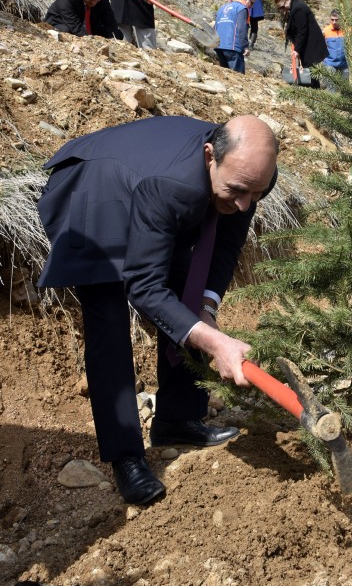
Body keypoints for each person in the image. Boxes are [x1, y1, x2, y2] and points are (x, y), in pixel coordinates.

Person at [37, 115, 279, 505]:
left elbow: (226, 245)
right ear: (210, 157)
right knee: (108, 320)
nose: (244, 202)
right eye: (236, 190)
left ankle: (176, 419)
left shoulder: (251, 174)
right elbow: (144, 286)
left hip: (151, 185)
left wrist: (205, 306)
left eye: (255, 192)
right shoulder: (172, 184)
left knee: (189, 289)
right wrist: (214, 343)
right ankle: (125, 455)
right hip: (93, 191)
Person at [274, 0, 328, 88]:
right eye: (280, 9)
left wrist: (297, 50)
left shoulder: (298, 9)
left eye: (282, 7)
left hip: (311, 45)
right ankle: (314, 92)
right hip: (307, 44)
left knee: (311, 70)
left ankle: (314, 94)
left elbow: (302, 31)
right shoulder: (293, 7)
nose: (282, 10)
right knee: (310, 70)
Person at [44, 0, 123, 40]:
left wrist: (113, 39)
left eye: (98, 0)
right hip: (62, 24)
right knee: (66, 30)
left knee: (117, 34)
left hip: (90, 26)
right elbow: (75, 26)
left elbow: (110, 20)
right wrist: (91, 42)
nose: (94, 2)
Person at [214, 0, 255, 74]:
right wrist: (245, 46)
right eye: (252, 3)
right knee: (238, 76)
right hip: (233, 47)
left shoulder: (222, 8)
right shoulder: (242, 8)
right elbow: (242, 28)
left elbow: (215, 26)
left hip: (219, 46)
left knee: (226, 76)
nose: (252, 6)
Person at [322, 10, 348, 75]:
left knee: (344, 85)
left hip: (344, 64)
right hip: (329, 64)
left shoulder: (347, 31)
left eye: (336, 20)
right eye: (332, 20)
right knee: (331, 85)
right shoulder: (325, 31)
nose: (334, 22)